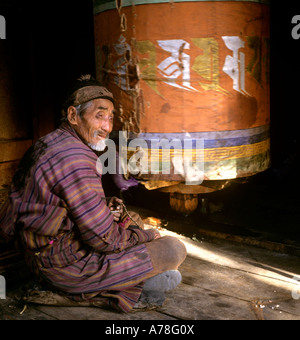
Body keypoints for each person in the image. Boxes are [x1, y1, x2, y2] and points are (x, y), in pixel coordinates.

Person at [0, 75, 186, 312]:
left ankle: (119, 283)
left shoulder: (47, 143)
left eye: (110, 118)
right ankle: (80, 294)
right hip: (64, 266)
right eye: (99, 116)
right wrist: (149, 236)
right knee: (173, 249)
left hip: (36, 254)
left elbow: (54, 203)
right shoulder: (77, 159)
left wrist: (104, 205)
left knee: (134, 221)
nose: (107, 127)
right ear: (73, 116)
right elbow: (104, 240)